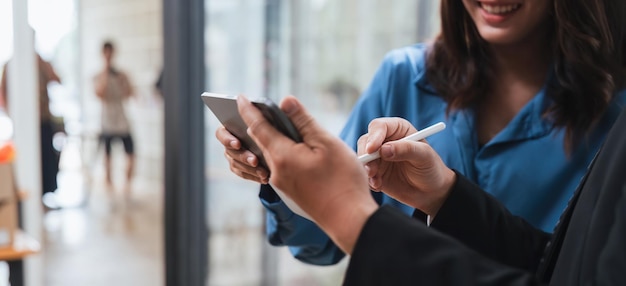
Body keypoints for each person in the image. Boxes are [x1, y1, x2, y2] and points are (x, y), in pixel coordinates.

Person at [216, 0, 626, 264]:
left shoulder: (613, 116)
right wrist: (281, 175)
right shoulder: (404, 76)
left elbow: (561, 267)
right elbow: (317, 244)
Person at [235, 94, 626, 285]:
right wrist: (443, 197)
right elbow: (559, 266)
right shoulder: (402, 72)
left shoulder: (607, 102)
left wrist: (349, 213)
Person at [0, 52, 62, 203]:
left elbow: (57, 80)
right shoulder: (11, 65)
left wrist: (42, 63)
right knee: (24, 160)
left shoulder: (41, 63)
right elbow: (3, 91)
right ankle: (25, 202)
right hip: (23, 123)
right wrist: (11, 113)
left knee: (47, 158)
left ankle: (43, 197)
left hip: (44, 119)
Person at [93, 41, 135, 194]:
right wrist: (106, 73)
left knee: (131, 154)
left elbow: (130, 93)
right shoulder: (98, 76)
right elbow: (99, 94)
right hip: (107, 121)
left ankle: (127, 187)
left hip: (122, 120)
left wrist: (123, 81)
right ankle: (109, 186)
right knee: (107, 156)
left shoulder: (121, 74)